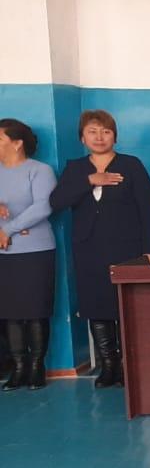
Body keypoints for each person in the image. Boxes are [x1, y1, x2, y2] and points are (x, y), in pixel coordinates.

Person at [50, 110, 150, 388]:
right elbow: (57, 201)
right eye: (92, 132)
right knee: (96, 304)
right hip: (88, 248)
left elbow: (148, 209)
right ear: (82, 138)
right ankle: (108, 366)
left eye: (106, 131)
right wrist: (90, 181)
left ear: (115, 136)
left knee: (126, 305)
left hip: (127, 248)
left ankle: (127, 366)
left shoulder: (131, 165)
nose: (99, 137)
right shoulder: (75, 169)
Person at [0, 119, 56, 390]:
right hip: (4, 253)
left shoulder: (40, 170)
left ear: (17, 143)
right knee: (9, 311)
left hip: (36, 250)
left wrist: (8, 228)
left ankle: (36, 367)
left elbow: (43, 207)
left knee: (35, 310)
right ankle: (19, 367)